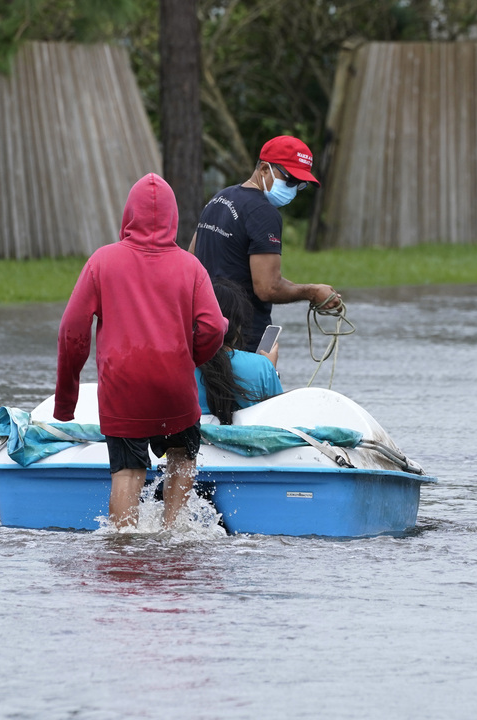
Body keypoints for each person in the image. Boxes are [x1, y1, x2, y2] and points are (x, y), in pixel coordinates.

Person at [53, 173, 227, 529]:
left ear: (128, 215)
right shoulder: (190, 266)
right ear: (173, 217)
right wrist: (185, 360)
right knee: (181, 460)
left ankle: (123, 549)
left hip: (123, 390)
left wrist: (66, 401)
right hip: (174, 391)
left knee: (128, 473)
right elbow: (212, 327)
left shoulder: (101, 262)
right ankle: (173, 531)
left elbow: (72, 332)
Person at [190, 135, 340, 352]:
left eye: (301, 185)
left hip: (205, 331)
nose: (293, 188)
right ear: (263, 169)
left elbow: (192, 258)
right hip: (244, 337)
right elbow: (267, 288)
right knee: (256, 384)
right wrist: (312, 292)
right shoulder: (263, 212)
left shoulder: (218, 199)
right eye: (290, 180)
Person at [195, 278, 283, 425]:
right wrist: (271, 371)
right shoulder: (261, 366)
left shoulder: (180, 366)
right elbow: (277, 420)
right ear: (238, 327)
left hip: (195, 444)